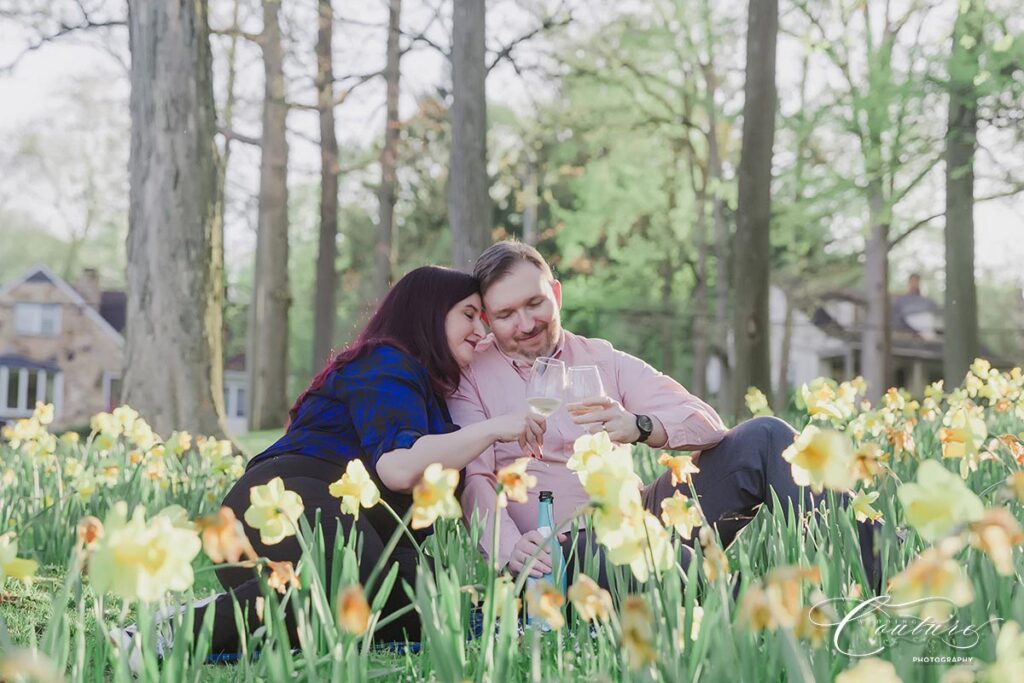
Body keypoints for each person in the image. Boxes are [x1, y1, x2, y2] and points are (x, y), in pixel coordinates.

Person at [449, 241, 877, 585]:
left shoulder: (601, 359)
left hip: (641, 516)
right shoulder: (471, 375)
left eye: (535, 303)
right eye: (506, 314)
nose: (525, 324)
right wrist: (509, 548)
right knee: (648, 558)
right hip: (559, 544)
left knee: (765, 436)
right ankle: (769, 607)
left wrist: (639, 426)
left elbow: (706, 422)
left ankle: (873, 571)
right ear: (487, 318)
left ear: (556, 294)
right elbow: (476, 478)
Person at [191, 266, 543, 652]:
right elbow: (397, 467)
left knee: (433, 604)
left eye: (485, 320)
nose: (482, 331)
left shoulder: (431, 395)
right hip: (286, 498)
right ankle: (175, 632)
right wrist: (493, 428)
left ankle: (245, 604)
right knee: (349, 585)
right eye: (469, 314)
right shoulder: (385, 363)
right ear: (427, 312)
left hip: (360, 528)